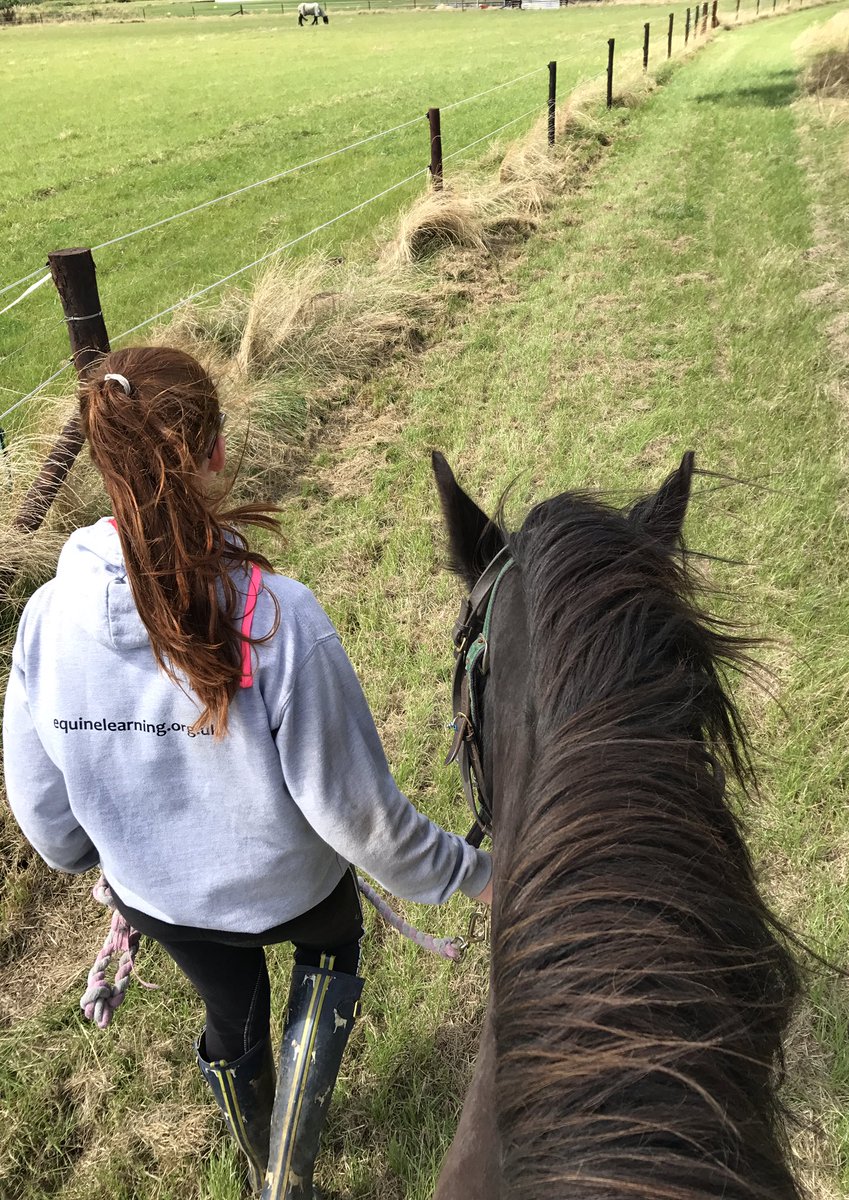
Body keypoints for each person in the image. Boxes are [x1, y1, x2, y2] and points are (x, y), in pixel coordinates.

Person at [2, 346, 492, 1200]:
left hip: (159, 903)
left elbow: (45, 818)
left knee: (231, 1015)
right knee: (333, 953)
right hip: (294, 892)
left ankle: (257, 1143)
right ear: (217, 452)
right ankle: (288, 1168)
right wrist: (472, 874)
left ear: (104, 464)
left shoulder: (45, 619)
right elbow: (358, 818)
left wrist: (109, 863)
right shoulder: (278, 618)